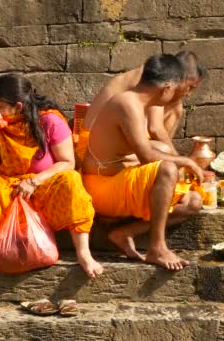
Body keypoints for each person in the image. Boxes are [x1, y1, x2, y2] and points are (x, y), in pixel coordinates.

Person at [0, 73, 102, 281]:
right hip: (8, 188)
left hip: (42, 186)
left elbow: (67, 162)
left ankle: (84, 254)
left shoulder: (49, 119)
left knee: (71, 179)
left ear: (18, 107)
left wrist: (34, 181)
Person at [81, 54, 204, 271]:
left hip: (119, 179)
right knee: (166, 168)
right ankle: (157, 247)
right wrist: (186, 161)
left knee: (193, 202)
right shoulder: (127, 104)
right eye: (176, 90)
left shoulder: (138, 101)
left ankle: (125, 232)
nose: (177, 96)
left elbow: (149, 149)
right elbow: (147, 156)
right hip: (102, 187)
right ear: (166, 88)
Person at [75, 51, 205, 164]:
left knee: (176, 108)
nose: (188, 94)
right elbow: (155, 129)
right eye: (190, 87)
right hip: (93, 149)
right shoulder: (156, 80)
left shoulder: (166, 90)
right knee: (163, 152)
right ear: (182, 78)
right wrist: (181, 163)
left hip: (115, 146)